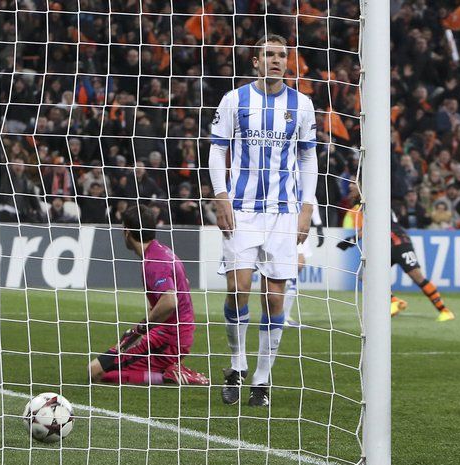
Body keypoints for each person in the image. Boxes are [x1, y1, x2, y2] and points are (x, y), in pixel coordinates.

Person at [208, 34, 318, 407]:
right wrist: (221, 195)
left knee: (274, 297)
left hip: (284, 212)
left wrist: (307, 207)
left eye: (281, 55)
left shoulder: (302, 105)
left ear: (288, 61)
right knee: (238, 288)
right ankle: (236, 365)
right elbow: (217, 149)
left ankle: (262, 379)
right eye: (268, 55)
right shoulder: (234, 100)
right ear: (255, 61)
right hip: (241, 209)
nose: (276, 60)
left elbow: (308, 158)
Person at [88, 205, 208, 386]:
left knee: (96, 372)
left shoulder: (154, 262)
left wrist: (140, 329)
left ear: (127, 232)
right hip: (171, 333)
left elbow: (170, 301)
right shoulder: (162, 251)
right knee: (111, 363)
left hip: (168, 338)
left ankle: (168, 376)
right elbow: (183, 286)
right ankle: (166, 370)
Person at [337, 212, 455, 322]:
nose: (351, 188)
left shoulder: (374, 204)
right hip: (393, 244)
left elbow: (369, 227)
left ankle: (444, 311)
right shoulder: (377, 204)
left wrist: (349, 241)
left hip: (397, 243)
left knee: (416, 277)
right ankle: (395, 301)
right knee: (366, 275)